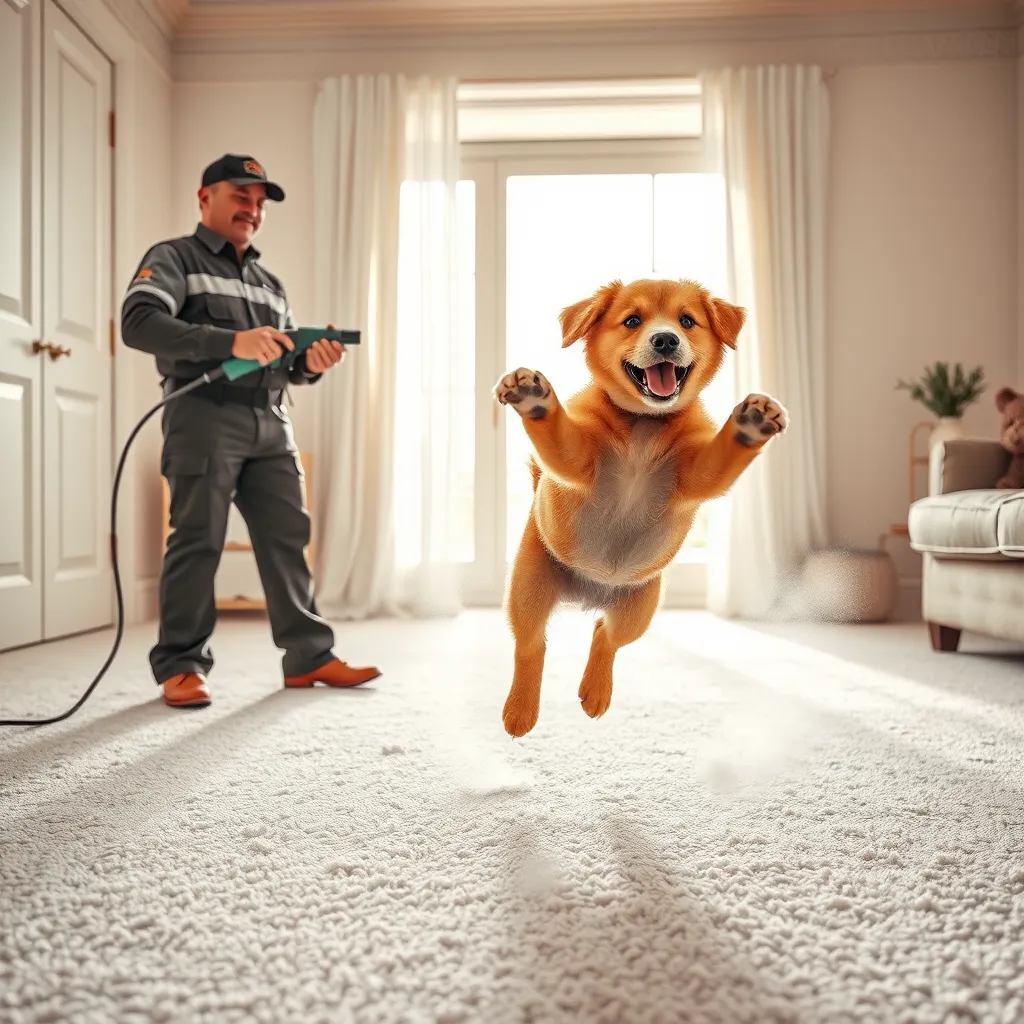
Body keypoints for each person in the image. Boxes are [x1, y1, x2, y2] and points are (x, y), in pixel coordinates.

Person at [120, 153, 381, 709]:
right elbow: (139, 323)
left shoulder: (270, 284)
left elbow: (283, 364)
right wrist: (227, 342)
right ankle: (182, 665)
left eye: (260, 202)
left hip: (272, 421)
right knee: (198, 539)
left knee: (288, 537)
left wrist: (312, 362)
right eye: (241, 196)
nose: (252, 210)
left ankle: (309, 657)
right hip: (203, 418)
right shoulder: (173, 258)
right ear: (204, 197)